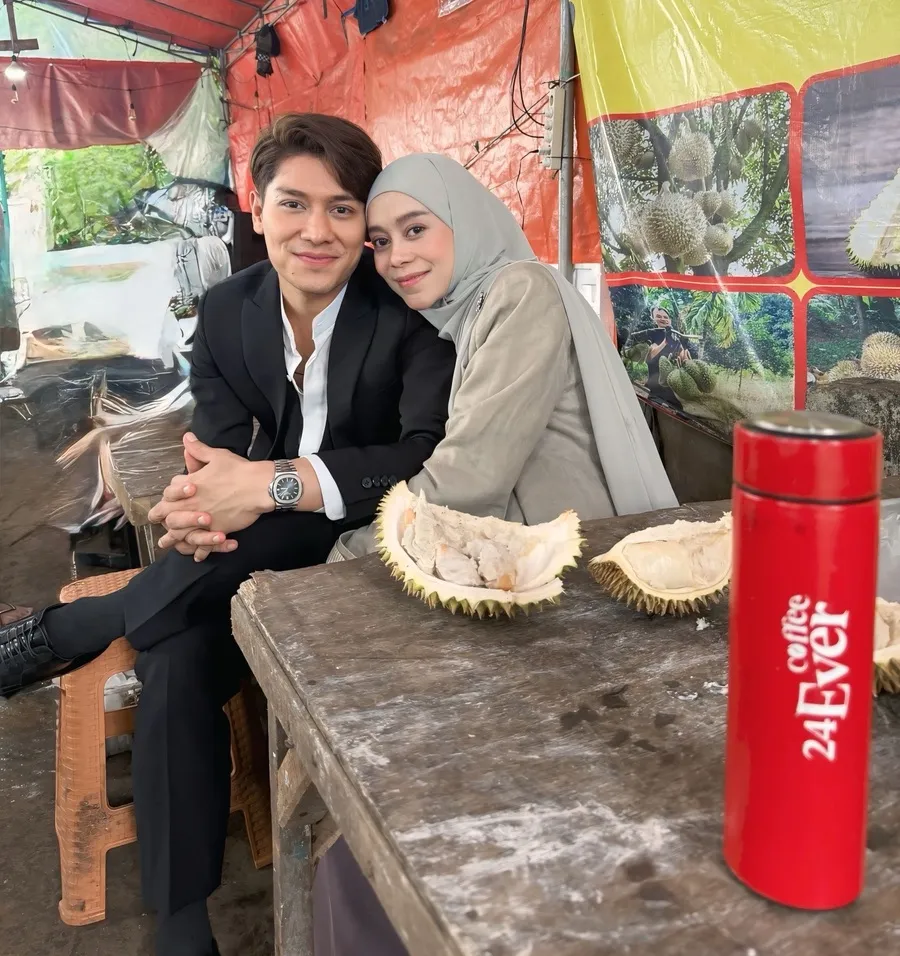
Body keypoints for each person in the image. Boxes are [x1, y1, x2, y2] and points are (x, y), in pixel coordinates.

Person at [0, 116, 455, 956]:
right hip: (246, 551)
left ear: (366, 220)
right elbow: (218, 450)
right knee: (174, 657)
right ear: (256, 204)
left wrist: (272, 486)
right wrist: (195, 504)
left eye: (343, 208)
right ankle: (182, 925)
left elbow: (421, 455)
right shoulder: (225, 310)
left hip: (365, 543)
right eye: (294, 203)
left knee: (191, 594)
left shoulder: (407, 312)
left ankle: (80, 626)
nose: (317, 231)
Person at [312, 153, 679, 955]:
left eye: (416, 228)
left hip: (576, 590)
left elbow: (469, 477)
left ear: (465, 221)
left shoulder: (519, 293)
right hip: (518, 582)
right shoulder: (460, 316)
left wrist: (344, 552)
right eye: (381, 241)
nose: (398, 256)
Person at [633, 304, 694, 408]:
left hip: (672, 388)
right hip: (655, 387)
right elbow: (650, 356)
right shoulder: (651, 334)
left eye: (665, 317)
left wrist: (687, 357)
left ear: (669, 320)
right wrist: (665, 341)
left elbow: (683, 356)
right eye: (658, 316)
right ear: (653, 319)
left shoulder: (675, 338)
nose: (663, 319)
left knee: (679, 410)